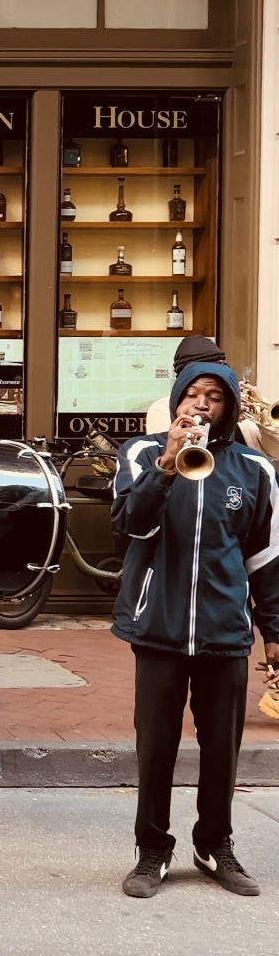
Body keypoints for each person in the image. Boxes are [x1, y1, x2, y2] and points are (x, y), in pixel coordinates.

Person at [112, 361, 279, 899]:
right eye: (193, 394)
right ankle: (152, 851)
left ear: (229, 408)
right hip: (157, 627)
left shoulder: (255, 469)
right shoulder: (141, 453)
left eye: (214, 397)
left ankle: (214, 844)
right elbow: (131, 527)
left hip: (225, 630)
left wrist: (273, 629)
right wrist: (166, 465)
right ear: (176, 401)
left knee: (221, 748)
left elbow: (265, 558)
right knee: (155, 746)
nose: (201, 405)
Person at [143, 335, 279, 462]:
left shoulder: (252, 403)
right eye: (192, 395)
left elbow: (276, 451)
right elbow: (171, 452)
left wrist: (263, 417)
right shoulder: (161, 408)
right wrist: (226, 419)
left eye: (215, 397)